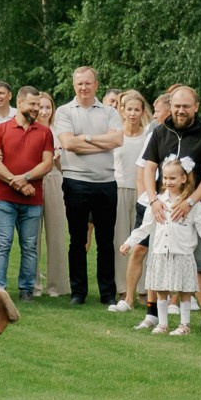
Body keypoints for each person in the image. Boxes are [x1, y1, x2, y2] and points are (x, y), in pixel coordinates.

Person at [138, 85, 201, 328]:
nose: (181, 110)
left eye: (186, 106)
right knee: (158, 260)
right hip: (162, 206)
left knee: (199, 264)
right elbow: (149, 168)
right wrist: (154, 199)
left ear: (195, 107)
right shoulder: (159, 131)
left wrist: (190, 201)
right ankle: (152, 316)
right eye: (177, 106)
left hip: (194, 205)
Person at [53, 67, 123, 309]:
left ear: (96, 84)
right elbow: (69, 144)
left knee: (106, 240)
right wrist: (100, 141)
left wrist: (87, 138)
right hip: (75, 181)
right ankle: (78, 291)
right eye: (79, 83)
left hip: (105, 182)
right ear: (74, 85)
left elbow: (117, 140)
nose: (83, 87)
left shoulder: (110, 111)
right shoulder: (64, 111)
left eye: (88, 83)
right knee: (77, 239)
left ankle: (107, 293)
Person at [131, 164, 201, 333]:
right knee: (161, 289)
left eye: (172, 178)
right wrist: (130, 242)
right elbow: (146, 227)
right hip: (161, 253)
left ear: (183, 179)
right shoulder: (157, 202)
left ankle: (184, 325)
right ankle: (162, 324)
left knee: (184, 290)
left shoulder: (193, 205)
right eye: (165, 178)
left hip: (183, 254)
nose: (167, 182)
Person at [0, 87, 55, 301]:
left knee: (29, 246)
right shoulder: (0, 129)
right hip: (4, 199)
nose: (36, 108)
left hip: (33, 200)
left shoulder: (44, 132)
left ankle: (26, 290)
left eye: (38, 104)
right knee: (2, 243)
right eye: (32, 104)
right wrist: (18, 184)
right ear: (20, 102)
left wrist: (24, 178)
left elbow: (47, 164)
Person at [111, 90, 151, 308]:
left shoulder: (148, 136)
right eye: (129, 109)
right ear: (122, 111)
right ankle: (123, 289)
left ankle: (144, 289)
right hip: (118, 190)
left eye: (137, 109)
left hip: (142, 192)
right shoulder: (115, 135)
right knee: (121, 241)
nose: (133, 113)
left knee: (142, 241)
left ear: (142, 111)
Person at [34, 92, 67, 297]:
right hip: (35, 180)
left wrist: (57, 159)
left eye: (48, 107)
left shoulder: (59, 131)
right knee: (32, 236)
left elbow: (66, 167)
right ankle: (33, 285)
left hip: (55, 179)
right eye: (40, 107)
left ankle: (58, 286)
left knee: (56, 235)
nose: (44, 111)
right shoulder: (30, 130)